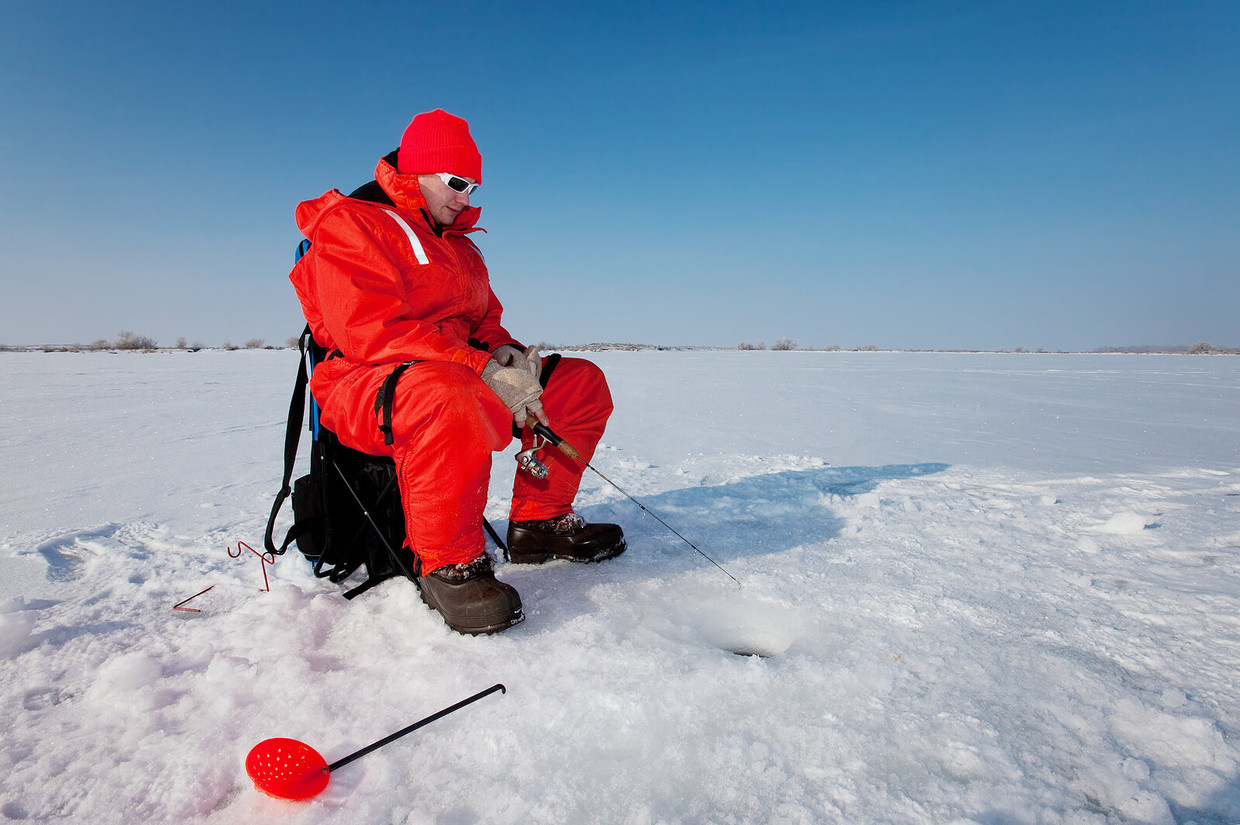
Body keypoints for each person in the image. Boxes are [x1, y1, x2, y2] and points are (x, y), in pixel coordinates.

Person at [290, 109, 625, 635]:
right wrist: (480, 366)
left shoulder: (462, 248)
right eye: (457, 183)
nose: (467, 198)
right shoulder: (352, 224)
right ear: (419, 171)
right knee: (447, 394)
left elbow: (485, 321)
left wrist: (509, 356)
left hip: (458, 374)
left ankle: (538, 524)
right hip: (363, 382)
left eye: (473, 186)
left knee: (579, 382)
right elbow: (368, 332)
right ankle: (450, 565)